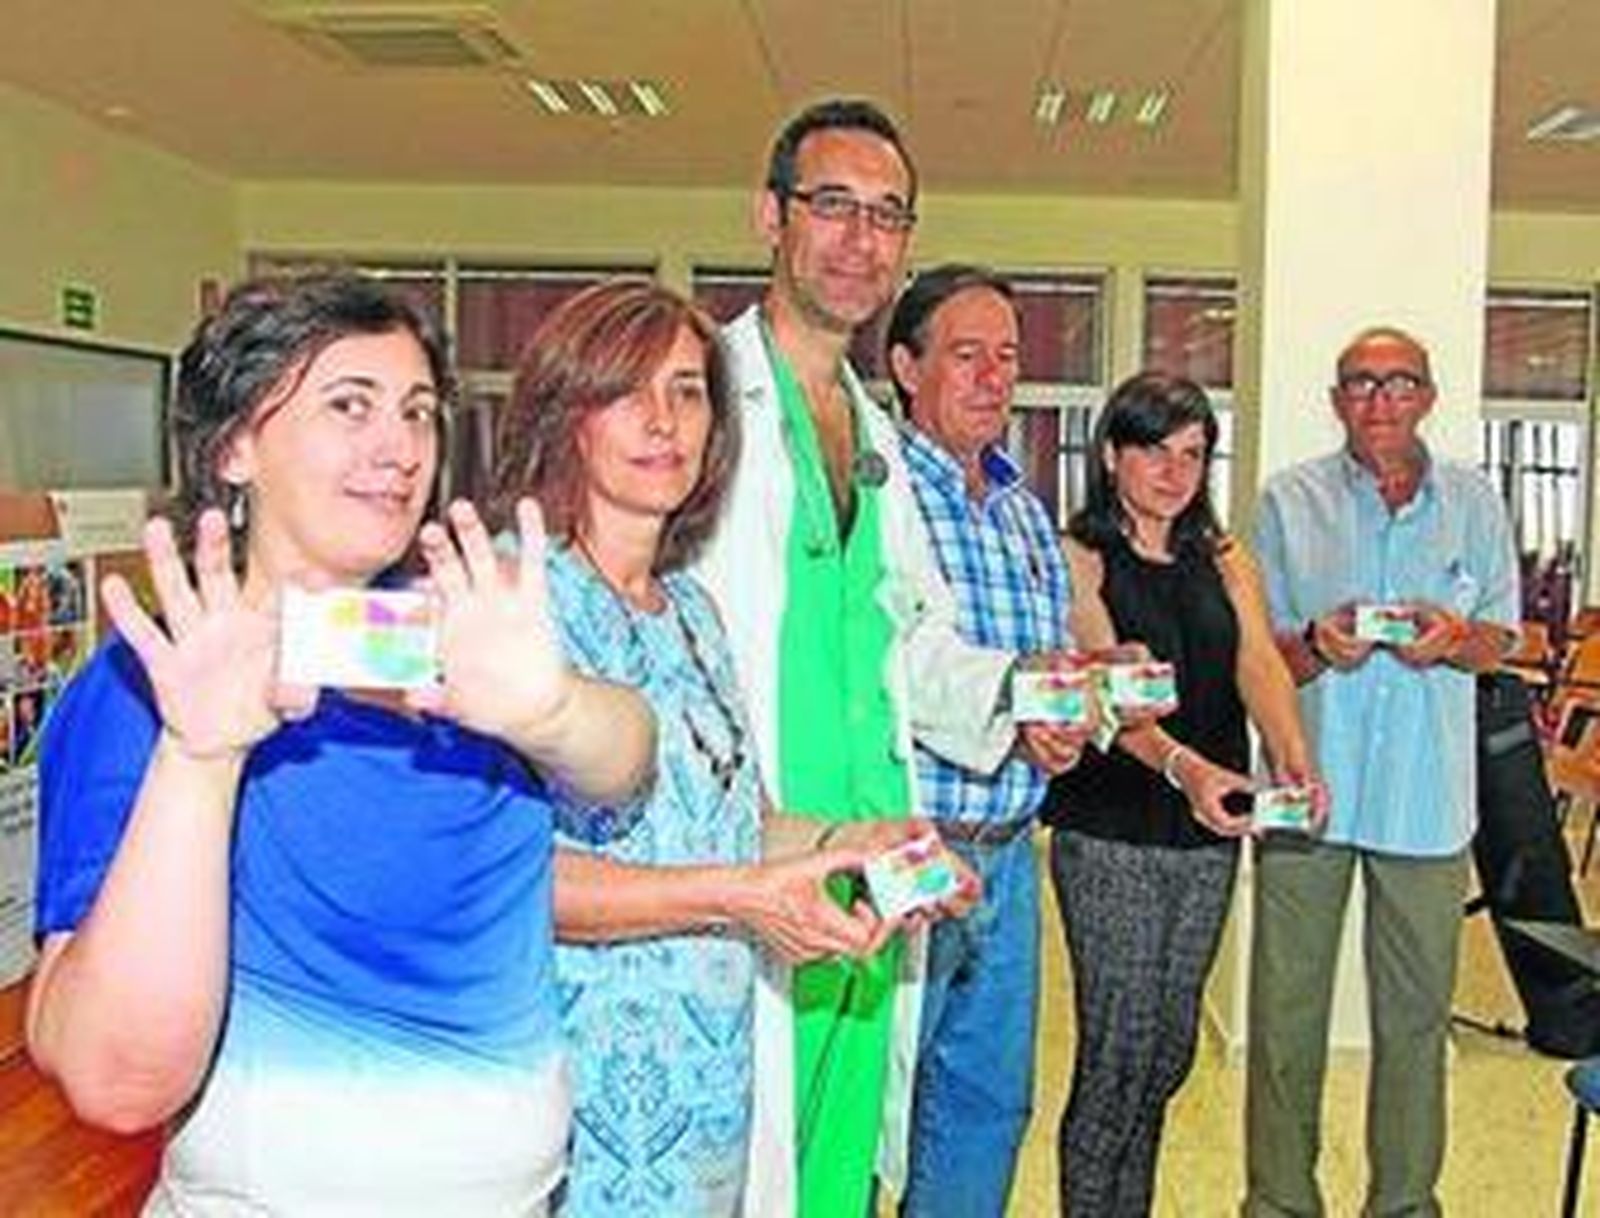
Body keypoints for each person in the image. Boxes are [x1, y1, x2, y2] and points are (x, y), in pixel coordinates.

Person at [27, 272, 655, 1215]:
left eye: (417, 412)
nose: (399, 448)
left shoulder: (463, 644)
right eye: (348, 405)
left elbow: (628, 759)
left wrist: (551, 710)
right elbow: (116, 1083)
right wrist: (202, 760)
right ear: (236, 444)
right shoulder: (150, 685)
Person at [489, 278, 949, 1217]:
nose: (665, 422)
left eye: (690, 390)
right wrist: (739, 899)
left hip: (706, 1084)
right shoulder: (513, 599)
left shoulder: (689, 609)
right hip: (577, 1099)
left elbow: (735, 819)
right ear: (565, 414)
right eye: (628, 392)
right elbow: (500, 872)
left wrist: (853, 845)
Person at [694, 99, 1076, 1217]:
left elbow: (911, 638)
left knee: (841, 1158)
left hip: (870, 864)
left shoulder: (877, 442)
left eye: (888, 215)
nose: (862, 240)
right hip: (752, 855)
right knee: (737, 1160)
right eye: (834, 206)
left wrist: (1017, 695)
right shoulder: (701, 396)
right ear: (770, 216)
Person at [1244, 326, 1518, 1218]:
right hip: (1304, 790)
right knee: (1286, 1022)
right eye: (1360, 384)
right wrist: (1319, 643)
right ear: (1336, 401)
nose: (1379, 400)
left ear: (1429, 396)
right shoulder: (1288, 501)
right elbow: (1259, 658)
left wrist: (1454, 639)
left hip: (1429, 804)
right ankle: (1280, 1203)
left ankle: (1404, 1205)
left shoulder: (1476, 504)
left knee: (1414, 1027)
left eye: (1398, 383)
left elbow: (1502, 641)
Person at [1037, 371, 1322, 1216]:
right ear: (1114, 454)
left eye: (1192, 453)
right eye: (1153, 449)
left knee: (1167, 1049)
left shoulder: (1223, 555)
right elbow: (1114, 696)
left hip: (1209, 832)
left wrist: (1294, 757)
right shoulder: (1079, 554)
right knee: (1119, 1052)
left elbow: (1259, 664)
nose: (1173, 470)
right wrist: (1184, 767)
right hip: (1112, 829)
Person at [883, 264, 1083, 1218]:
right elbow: (894, 664)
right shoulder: (874, 493)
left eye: (1008, 357)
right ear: (905, 366)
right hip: (912, 849)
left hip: (1011, 856)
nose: (994, 377)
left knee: (989, 1104)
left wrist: (1067, 725)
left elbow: (1043, 670)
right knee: (880, 1107)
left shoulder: (1023, 509)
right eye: (967, 355)